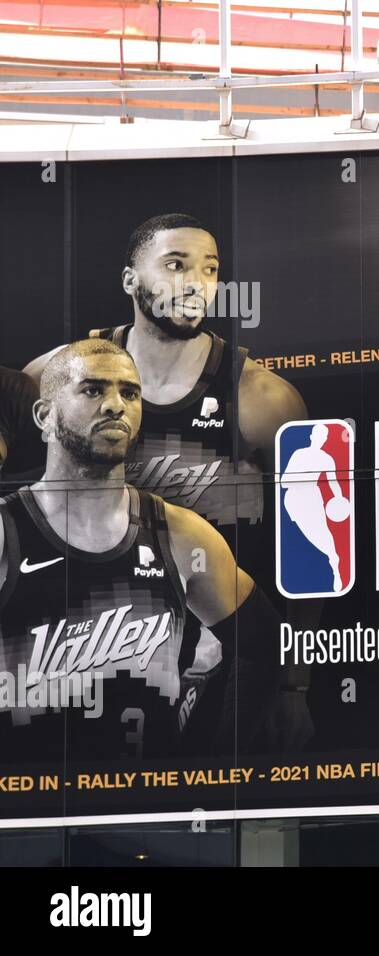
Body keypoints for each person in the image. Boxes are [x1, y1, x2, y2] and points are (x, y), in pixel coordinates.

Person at [23, 214, 311, 750]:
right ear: (131, 279)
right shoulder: (55, 375)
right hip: (82, 650)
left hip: (216, 656)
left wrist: (294, 683)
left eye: (209, 269)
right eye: (176, 265)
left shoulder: (258, 396)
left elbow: (314, 545)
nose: (194, 283)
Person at [0, 339, 279, 758]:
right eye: (93, 390)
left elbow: (264, 645)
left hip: (147, 815)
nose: (116, 405)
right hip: (26, 814)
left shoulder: (182, 534)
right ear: (45, 416)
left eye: (129, 392)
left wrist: (212, 764)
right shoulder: (6, 529)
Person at [282, 423, 349, 593]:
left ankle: (335, 565)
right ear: (312, 436)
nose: (321, 439)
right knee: (302, 539)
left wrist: (339, 498)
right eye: (318, 435)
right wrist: (303, 477)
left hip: (313, 499)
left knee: (324, 536)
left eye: (324, 436)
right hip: (294, 500)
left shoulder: (326, 458)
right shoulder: (299, 454)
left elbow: (333, 482)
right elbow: (283, 481)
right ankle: (323, 564)